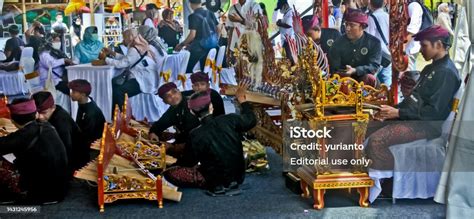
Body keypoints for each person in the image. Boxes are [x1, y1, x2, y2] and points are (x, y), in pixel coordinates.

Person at [365, 25, 461, 170]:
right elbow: (413, 101)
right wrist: (390, 111)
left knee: (376, 141)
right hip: (412, 118)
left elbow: (433, 114)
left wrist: (398, 113)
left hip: (426, 126)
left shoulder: (446, 73)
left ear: (439, 45)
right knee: (365, 126)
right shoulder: (431, 68)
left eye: (424, 45)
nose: (421, 49)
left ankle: (392, 180)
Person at [164, 84, 257, 196]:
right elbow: (251, 120)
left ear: (192, 112)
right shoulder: (230, 119)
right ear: (211, 107)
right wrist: (242, 101)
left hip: (213, 179)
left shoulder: (195, 134)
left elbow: (188, 162)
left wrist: (172, 162)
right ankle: (229, 182)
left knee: (170, 173)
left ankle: (218, 185)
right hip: (239, 175)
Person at [0, 98, 68, 204]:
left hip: (42, 194)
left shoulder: (23, 135)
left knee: (3, 166)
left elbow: (5, 144)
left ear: (12, 120)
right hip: (60, 189)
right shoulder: (46, 126)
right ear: (36, 114)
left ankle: (10, 196)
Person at [101, 29, 158, 111]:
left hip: (143, 79)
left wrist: (106, 59)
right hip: (147, 77)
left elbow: (122, 64)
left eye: (124, 38)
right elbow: (127, 59)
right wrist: (112, 53)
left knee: (118, 92)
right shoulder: (139, 46)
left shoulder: (134, 49)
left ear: (129, 38)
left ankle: (120, 116)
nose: (123, 40)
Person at [32, 91, 87, 171]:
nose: (40, 117)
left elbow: (65, 150)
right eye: (37, 113)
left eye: (44, 113)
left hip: (74, 160)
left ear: (53, 107)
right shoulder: (51, 111)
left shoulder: (61, 122)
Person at [328, 9, 382, 87]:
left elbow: (374, 66)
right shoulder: (338, 43)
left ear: (362, 27)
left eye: (352, 25)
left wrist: (356, 70)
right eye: (346, 24)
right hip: (343, 80)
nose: (347, 28)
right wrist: (345, 74)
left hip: (365, 81)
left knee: (369, 78)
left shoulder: (374, 43)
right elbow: (334, 67)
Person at [149, 82, 201, 162]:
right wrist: (153, 132)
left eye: (174, 92)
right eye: (168, 96)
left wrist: (173, 147)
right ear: (165, 102)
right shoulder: (173, 109)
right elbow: (159, 125)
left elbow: (199, 137)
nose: (173, 97)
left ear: (179, 91)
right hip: (185, 144)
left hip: (199, 149)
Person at [175, 0, 218, 73]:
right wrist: (214, 39)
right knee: (205, 69)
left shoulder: (193, 16)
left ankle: (190, 84)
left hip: (198, 48)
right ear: (201, 3)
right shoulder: (210, 12)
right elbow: (219, 28)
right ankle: (204, 82)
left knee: (186, 69)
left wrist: (181, 45)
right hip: (213, 46)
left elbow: (192, 35)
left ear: (190, 4)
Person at [68, 79, 106, 148]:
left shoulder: (90, 113)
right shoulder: (83, 102)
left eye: (73, 92)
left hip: (92, 146)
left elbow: (88, 137)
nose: (71, 94)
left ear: (83, 95)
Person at [366, 0, 392, 87]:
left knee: (370, 82)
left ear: (370, 3)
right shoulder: (388, 16)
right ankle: (390, 99)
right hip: (387, 55)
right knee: (387, 82)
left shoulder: (372, 18)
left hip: (377, 55)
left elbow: (370, 38)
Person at [405, 0, 424, 71]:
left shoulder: (414, 6)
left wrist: (403, 47)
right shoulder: (412, 5)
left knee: (408, 74)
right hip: (411, 46)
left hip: (410, 47)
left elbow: (412, 31)